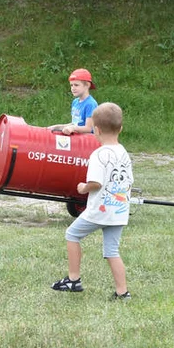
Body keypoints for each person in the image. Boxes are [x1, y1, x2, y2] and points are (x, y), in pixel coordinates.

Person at [51, 102, 133, 299]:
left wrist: (83, 187)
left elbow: (95, 182)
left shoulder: (99, 154)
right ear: (120, 128)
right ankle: (122, 292)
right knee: (112, 250)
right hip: (120, 210)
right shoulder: (123, 152)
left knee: (72, 234)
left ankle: (73, 279)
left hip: (100, 210)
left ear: (95, 130)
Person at [47, 68, 97, 135]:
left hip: (88, 140)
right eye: (71, 85)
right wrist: (57, 127)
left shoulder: (90, 104)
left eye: (76, 85)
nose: (73, 88)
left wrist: (73, 128)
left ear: (87, 85)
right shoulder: (75, 102)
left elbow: (89, 128)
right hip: (76, 136)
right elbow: (75, 123)